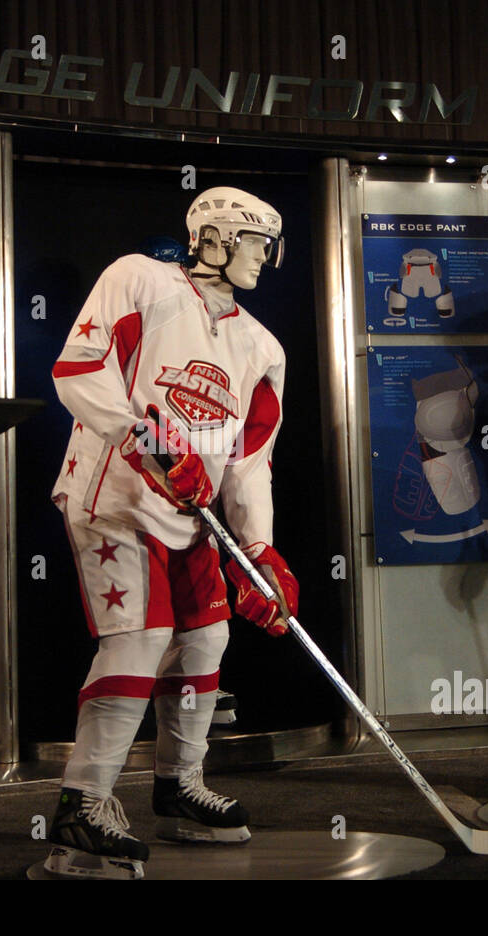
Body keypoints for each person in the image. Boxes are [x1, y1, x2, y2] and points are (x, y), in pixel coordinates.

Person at [44, 187, 297, 879]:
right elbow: (78, 370)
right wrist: (145, 442)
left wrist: (258, 553)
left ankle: (177, 784)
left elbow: (248, 463)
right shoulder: (139, 278)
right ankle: (82, 802)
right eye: (256, 242)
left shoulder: (261, 347)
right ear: (214, 237)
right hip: (115, 498)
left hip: (191, 518)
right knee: (141, 636)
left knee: (205, 635)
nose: (265, 259)